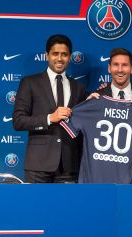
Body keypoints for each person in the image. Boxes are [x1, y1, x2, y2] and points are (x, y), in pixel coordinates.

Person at [13, 34, 86, 183]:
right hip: (38, 165)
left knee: (67, 207)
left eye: (64, 54)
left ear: (70, 57)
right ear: (47, 55)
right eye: (55, 54)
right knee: (36, 207)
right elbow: (18, 121)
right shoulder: (30, 83)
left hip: (69, 165)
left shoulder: (79, 87)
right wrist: (49, 118)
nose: (59, 59)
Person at [93, 48, 132, 183]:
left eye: (125, 65)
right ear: (109, 68)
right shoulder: (96, 97)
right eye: (115, 65)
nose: (120, 70)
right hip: (106, 169)